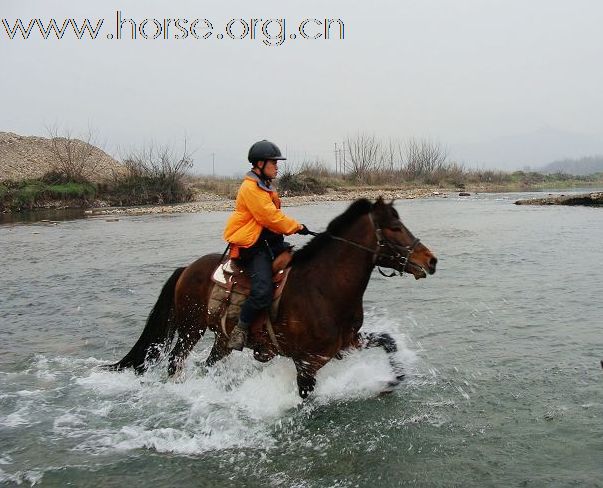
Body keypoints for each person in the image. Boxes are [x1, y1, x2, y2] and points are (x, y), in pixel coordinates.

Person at [223, 140, 310, 350]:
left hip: (269, 243)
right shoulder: (250, 187)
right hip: (253, 247)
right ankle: (241, 329)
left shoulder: (265, 186)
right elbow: (269, 217)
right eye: (274, 162)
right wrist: (296, 226)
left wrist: (294, 228)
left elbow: (274, 217)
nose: (277, 166)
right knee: (262, 292)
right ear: (260, 164)